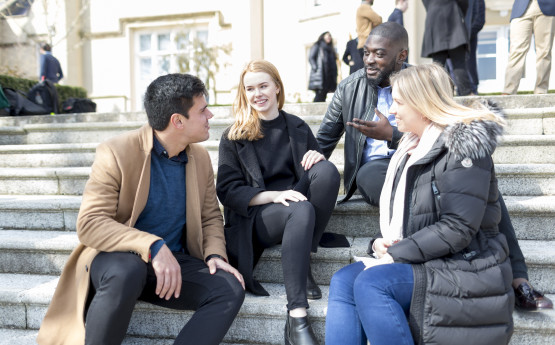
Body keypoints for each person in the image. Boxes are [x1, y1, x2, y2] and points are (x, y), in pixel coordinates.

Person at [317, 21, 552, 312]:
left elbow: (442, 128)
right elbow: (323, 140)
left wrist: (391, 135)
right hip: (377, 169)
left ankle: (518, 279)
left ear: (400, 56)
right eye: (366, 53)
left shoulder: (420, 80)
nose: (369, 61)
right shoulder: (349, 86)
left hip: (426, 156)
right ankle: (442, 249)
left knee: (478, 188)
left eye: (379, 54)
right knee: (407, 184)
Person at [37, 74, 245, 345]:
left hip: (175, 264)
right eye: (203, 109)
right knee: (128, 270)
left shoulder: (201, 157)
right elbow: (90, 223)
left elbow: (209, 217)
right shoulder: (116, 151)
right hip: (120, 259)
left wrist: (215, 253)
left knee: (229, 288)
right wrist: (152, 246)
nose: (211, 114)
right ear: (178, 121)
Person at [325, 63, 514, 345]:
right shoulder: (412, 146)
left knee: (371, 283)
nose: (391, 111)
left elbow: (458, 227)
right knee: (343, 279)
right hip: (429, 256)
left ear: (422, 105)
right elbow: (415, 217)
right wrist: (381, 244)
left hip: (466, 266)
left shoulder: (463, 149)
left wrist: (399, 252)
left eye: (398, 103)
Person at [217, 60, 340, 345]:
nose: (257, 93)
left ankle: (303, 256)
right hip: (257, 218)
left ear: (276, 87)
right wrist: (274, 196)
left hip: (298, 207)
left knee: (327, 170)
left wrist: (318, 159)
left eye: (263, 86)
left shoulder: (296, 126)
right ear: (243, 93)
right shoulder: (234, 136)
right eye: (250, 88)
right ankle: (297, 315)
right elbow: (227, 191)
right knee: (301, 206)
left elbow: (316, 174)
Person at [421, 0, 473, 96]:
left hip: (434, 20)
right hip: (453, 18)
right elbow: (464, 3)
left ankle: (436, 95)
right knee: (458, 63)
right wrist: (460, 13)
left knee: (437, 65)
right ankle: (466, 94)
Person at [503, 0, 555, 95]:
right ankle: (509, 90)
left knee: (544, 51)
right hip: (521, 7)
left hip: (547, 6)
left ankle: (541, 90)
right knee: (516, 50)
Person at [308, 31, 338, 102]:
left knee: (324, 94)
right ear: (323, 36)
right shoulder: (317, 45)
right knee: (319, 94)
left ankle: (319, 112)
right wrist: (315, 68)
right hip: (320, 74)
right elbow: (311, 57)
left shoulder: (330, 49)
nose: (329, 37)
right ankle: (314, 111)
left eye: (330, 36)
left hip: (328, 76)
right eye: (327, 35)